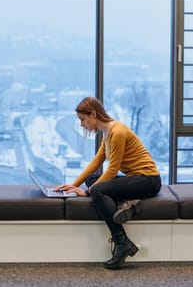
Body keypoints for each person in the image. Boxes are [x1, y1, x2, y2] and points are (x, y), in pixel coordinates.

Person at [55, 97, 161, 269]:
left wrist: (89, 191)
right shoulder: (107, 132)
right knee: (92, 180)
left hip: (148, 180)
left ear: (93, 114)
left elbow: (112, 170)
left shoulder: (117, 132)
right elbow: (96, 163)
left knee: (96, 190)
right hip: (135, 179)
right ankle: (127, 204)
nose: (82, 125)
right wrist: (72, 186)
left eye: (83, 120)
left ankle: (122, 242)